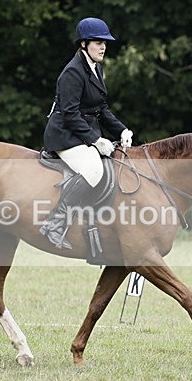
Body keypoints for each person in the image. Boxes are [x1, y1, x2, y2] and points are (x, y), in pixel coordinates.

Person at [41, 17, 133, 249]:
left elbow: (100, 109)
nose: (103, 46)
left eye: (105, 42)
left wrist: (122, 130)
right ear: (83, 44)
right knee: (93, 169)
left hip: (82, 133)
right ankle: (55, 222)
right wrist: (96, 140)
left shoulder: (95, 68)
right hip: (64, 135)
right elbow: (71, 114)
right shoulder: (72, 72)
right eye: (97, 42)